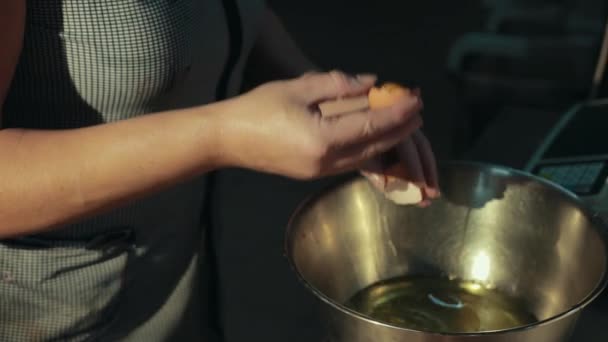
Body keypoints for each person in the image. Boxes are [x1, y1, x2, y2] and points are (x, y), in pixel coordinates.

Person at [0, 1, 439, 341]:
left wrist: (334, 103)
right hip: (53, 314)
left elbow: (225, 16)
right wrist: (222, 136)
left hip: (177, 285)